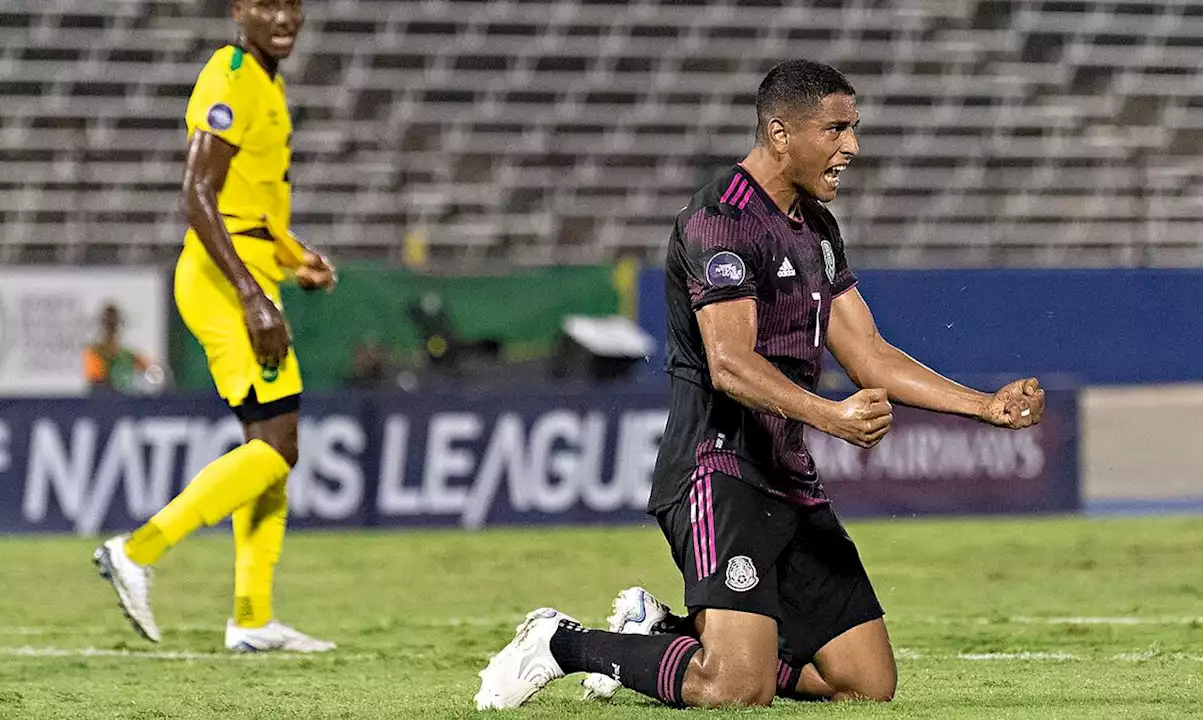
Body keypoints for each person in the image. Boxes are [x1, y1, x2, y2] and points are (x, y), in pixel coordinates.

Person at [474, 60, 1046, 709]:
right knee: (735, 690)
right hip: (718, 471)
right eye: (835, 129)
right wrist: (832, 418)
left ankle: (664, 633)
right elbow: (731, 364)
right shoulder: (720, 221)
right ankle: (560, 643)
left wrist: (984, 406)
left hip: (788, 477)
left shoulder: (817, 230)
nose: (850, 147)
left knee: (865, 683)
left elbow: (869, 354)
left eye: (852, 129)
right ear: (780, 133)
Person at [93, 0, 338, 653]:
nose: (283, 16)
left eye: (292, 3)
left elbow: (249, 206)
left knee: (273, 455)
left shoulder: (265, 81)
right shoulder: (229, 75)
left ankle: (252, 621)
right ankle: (136, 552)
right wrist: (253, 295)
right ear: (239, 10)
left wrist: (294, 258)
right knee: (279, 446)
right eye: (266, 4)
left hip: (247, 272)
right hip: (222, 281)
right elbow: (197, 194)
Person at [83, 303, 161, 393]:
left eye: (114, 324)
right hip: (103, 402)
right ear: (103, 325)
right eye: (108, 324)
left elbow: (152, 371)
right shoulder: (94, 352)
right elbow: (97, 381)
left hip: (127, 402)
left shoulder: (128, 355)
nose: (111, 328)